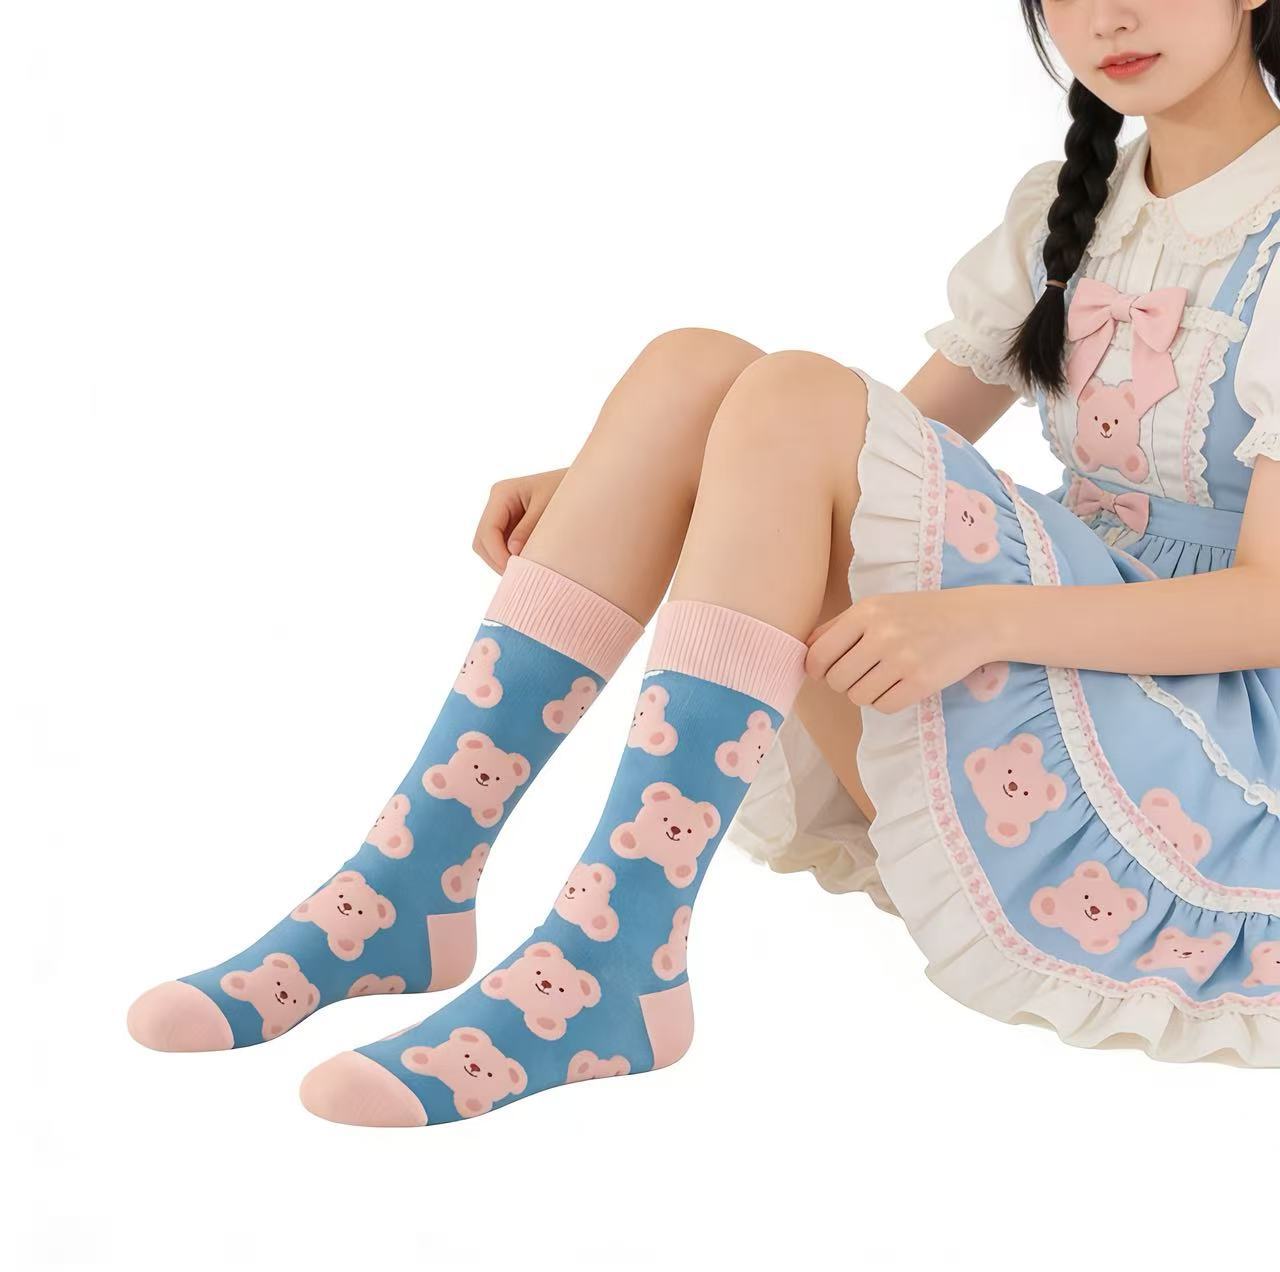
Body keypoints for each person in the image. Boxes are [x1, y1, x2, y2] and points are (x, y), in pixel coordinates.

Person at [127, 0, 1280, 1126]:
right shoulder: (1068, 212)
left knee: (788, 393)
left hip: (1211, 751)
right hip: (1065, 666)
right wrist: (630, 474)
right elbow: (880, 447)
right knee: (699, 371)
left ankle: (617, 946)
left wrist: (985, 620)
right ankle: (413, 872)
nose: (1107, 16)